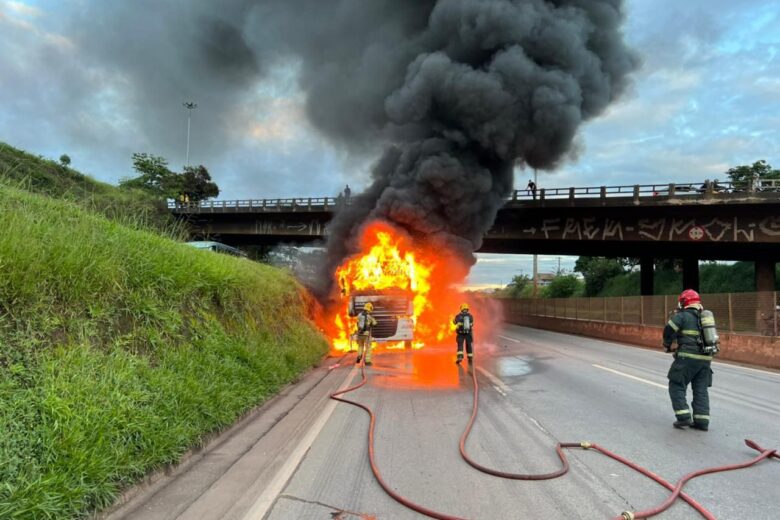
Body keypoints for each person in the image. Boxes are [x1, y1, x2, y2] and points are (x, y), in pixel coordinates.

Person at [663, 289, 714, 431]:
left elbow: (669, 330)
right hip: (706, 358)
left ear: (684, 301)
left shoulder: (683, 316)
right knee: (701, 389)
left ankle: (683, 417)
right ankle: (702, 421)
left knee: (676, 384)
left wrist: (667, 344)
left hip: (687, 357)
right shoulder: (704, 317)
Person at [355, 302, 377, 366]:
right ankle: (367, 361)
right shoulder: (369, 317)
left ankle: (359, 356)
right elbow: (375, 323)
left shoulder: (359, 315)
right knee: (368, 347)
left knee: (360, 346)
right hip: (366, 335)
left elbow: (357, 322)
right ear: (369, 308)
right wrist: (373, 322)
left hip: (359, 334)